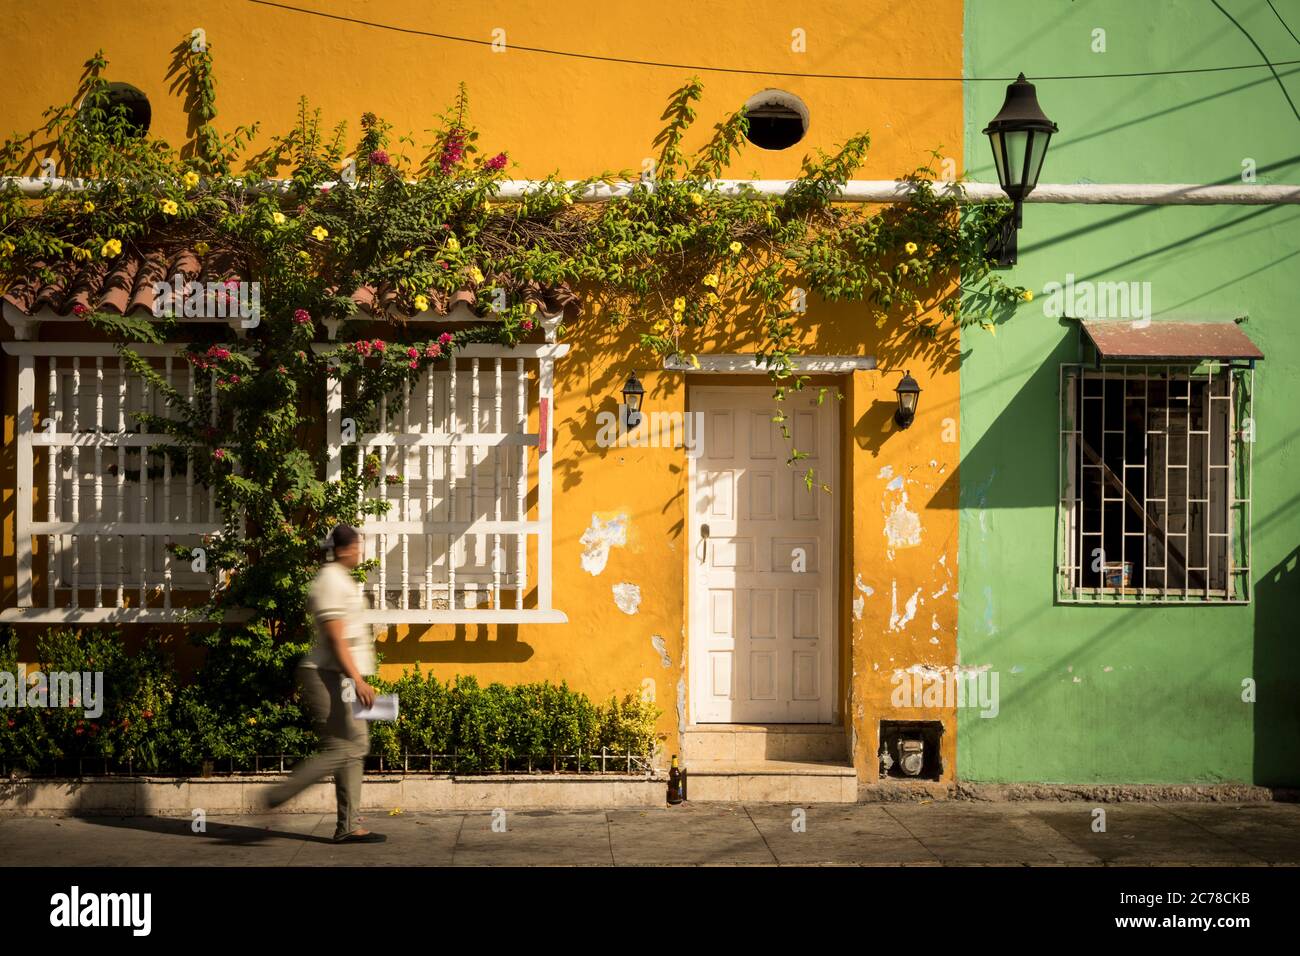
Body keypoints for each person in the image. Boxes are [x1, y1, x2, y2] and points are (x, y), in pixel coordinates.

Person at [266, 524, 385, 843]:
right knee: (345, 747)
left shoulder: (342, 579)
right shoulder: (331, 580)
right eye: (358, 547)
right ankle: (280, 793)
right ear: (346, 549)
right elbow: (335, 638)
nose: (360, 552)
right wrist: (357, 679)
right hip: (327, 674)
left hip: (341, 674)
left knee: (356, 746)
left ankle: (348, 825)